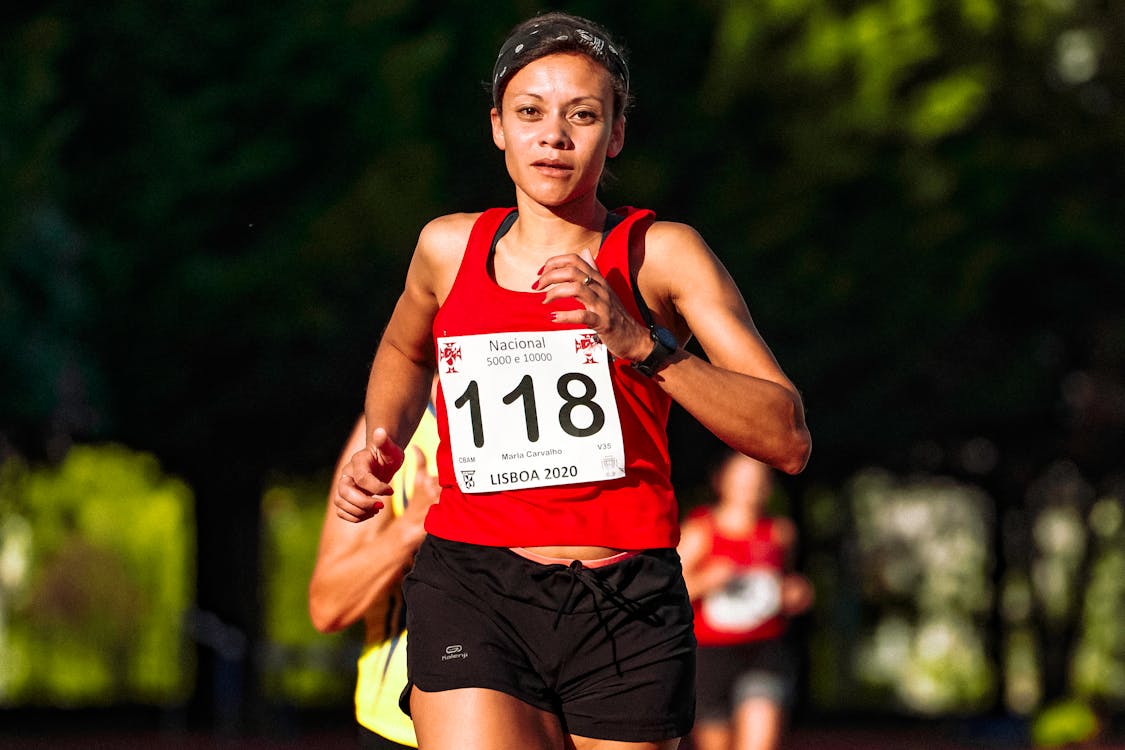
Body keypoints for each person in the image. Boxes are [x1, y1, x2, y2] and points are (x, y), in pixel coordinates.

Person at [334, 11, 812, 750]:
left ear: (614, 134)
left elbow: (784, 435)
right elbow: (403, 352)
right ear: (498, 127)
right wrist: (381, 440)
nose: (552, 135)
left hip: (626, 601)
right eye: (529, 112)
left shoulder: (663, 255)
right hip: (472, 584)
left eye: (582, 115)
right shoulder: (445, 247)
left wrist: (641, 345)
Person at [309, 387, 440, 750]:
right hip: (400, 724)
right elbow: (327, 604)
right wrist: (410, 528)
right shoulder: (393, 426)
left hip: (542, 709)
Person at [677, 452, 815, 750]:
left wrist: (794, 593)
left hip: (763, 650)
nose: (750, 487)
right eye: (743, 479)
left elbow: (786, 585)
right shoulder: (699, 531)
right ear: (722, 482)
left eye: (758, 480)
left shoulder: (780, 533)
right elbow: (668, 592)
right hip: (708, 655)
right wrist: (706, 581)